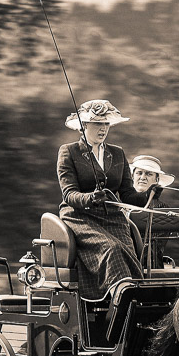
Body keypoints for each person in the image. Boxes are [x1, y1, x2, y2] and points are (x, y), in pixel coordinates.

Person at [56, 99, 156, 300]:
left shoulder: (117, 153)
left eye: (106, 124)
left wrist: (149, 194)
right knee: (112, 249)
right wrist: (90, 198)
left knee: (131, 257)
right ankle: (120, 304)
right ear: (84, 126)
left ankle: (133, 305)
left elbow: (127, 195)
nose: (103, 129)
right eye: (98, 124)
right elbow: (69, 194)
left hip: (113, 218)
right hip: (80, 217)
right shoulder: (68, 152)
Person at [127, 155, 175, 269]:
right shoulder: (118, 203)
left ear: (157, 180)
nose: (143, 177)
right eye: (139, 173)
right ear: (132, 177)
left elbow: (152, 248)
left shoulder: (162, 209)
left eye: (149, 174)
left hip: (149, 268)